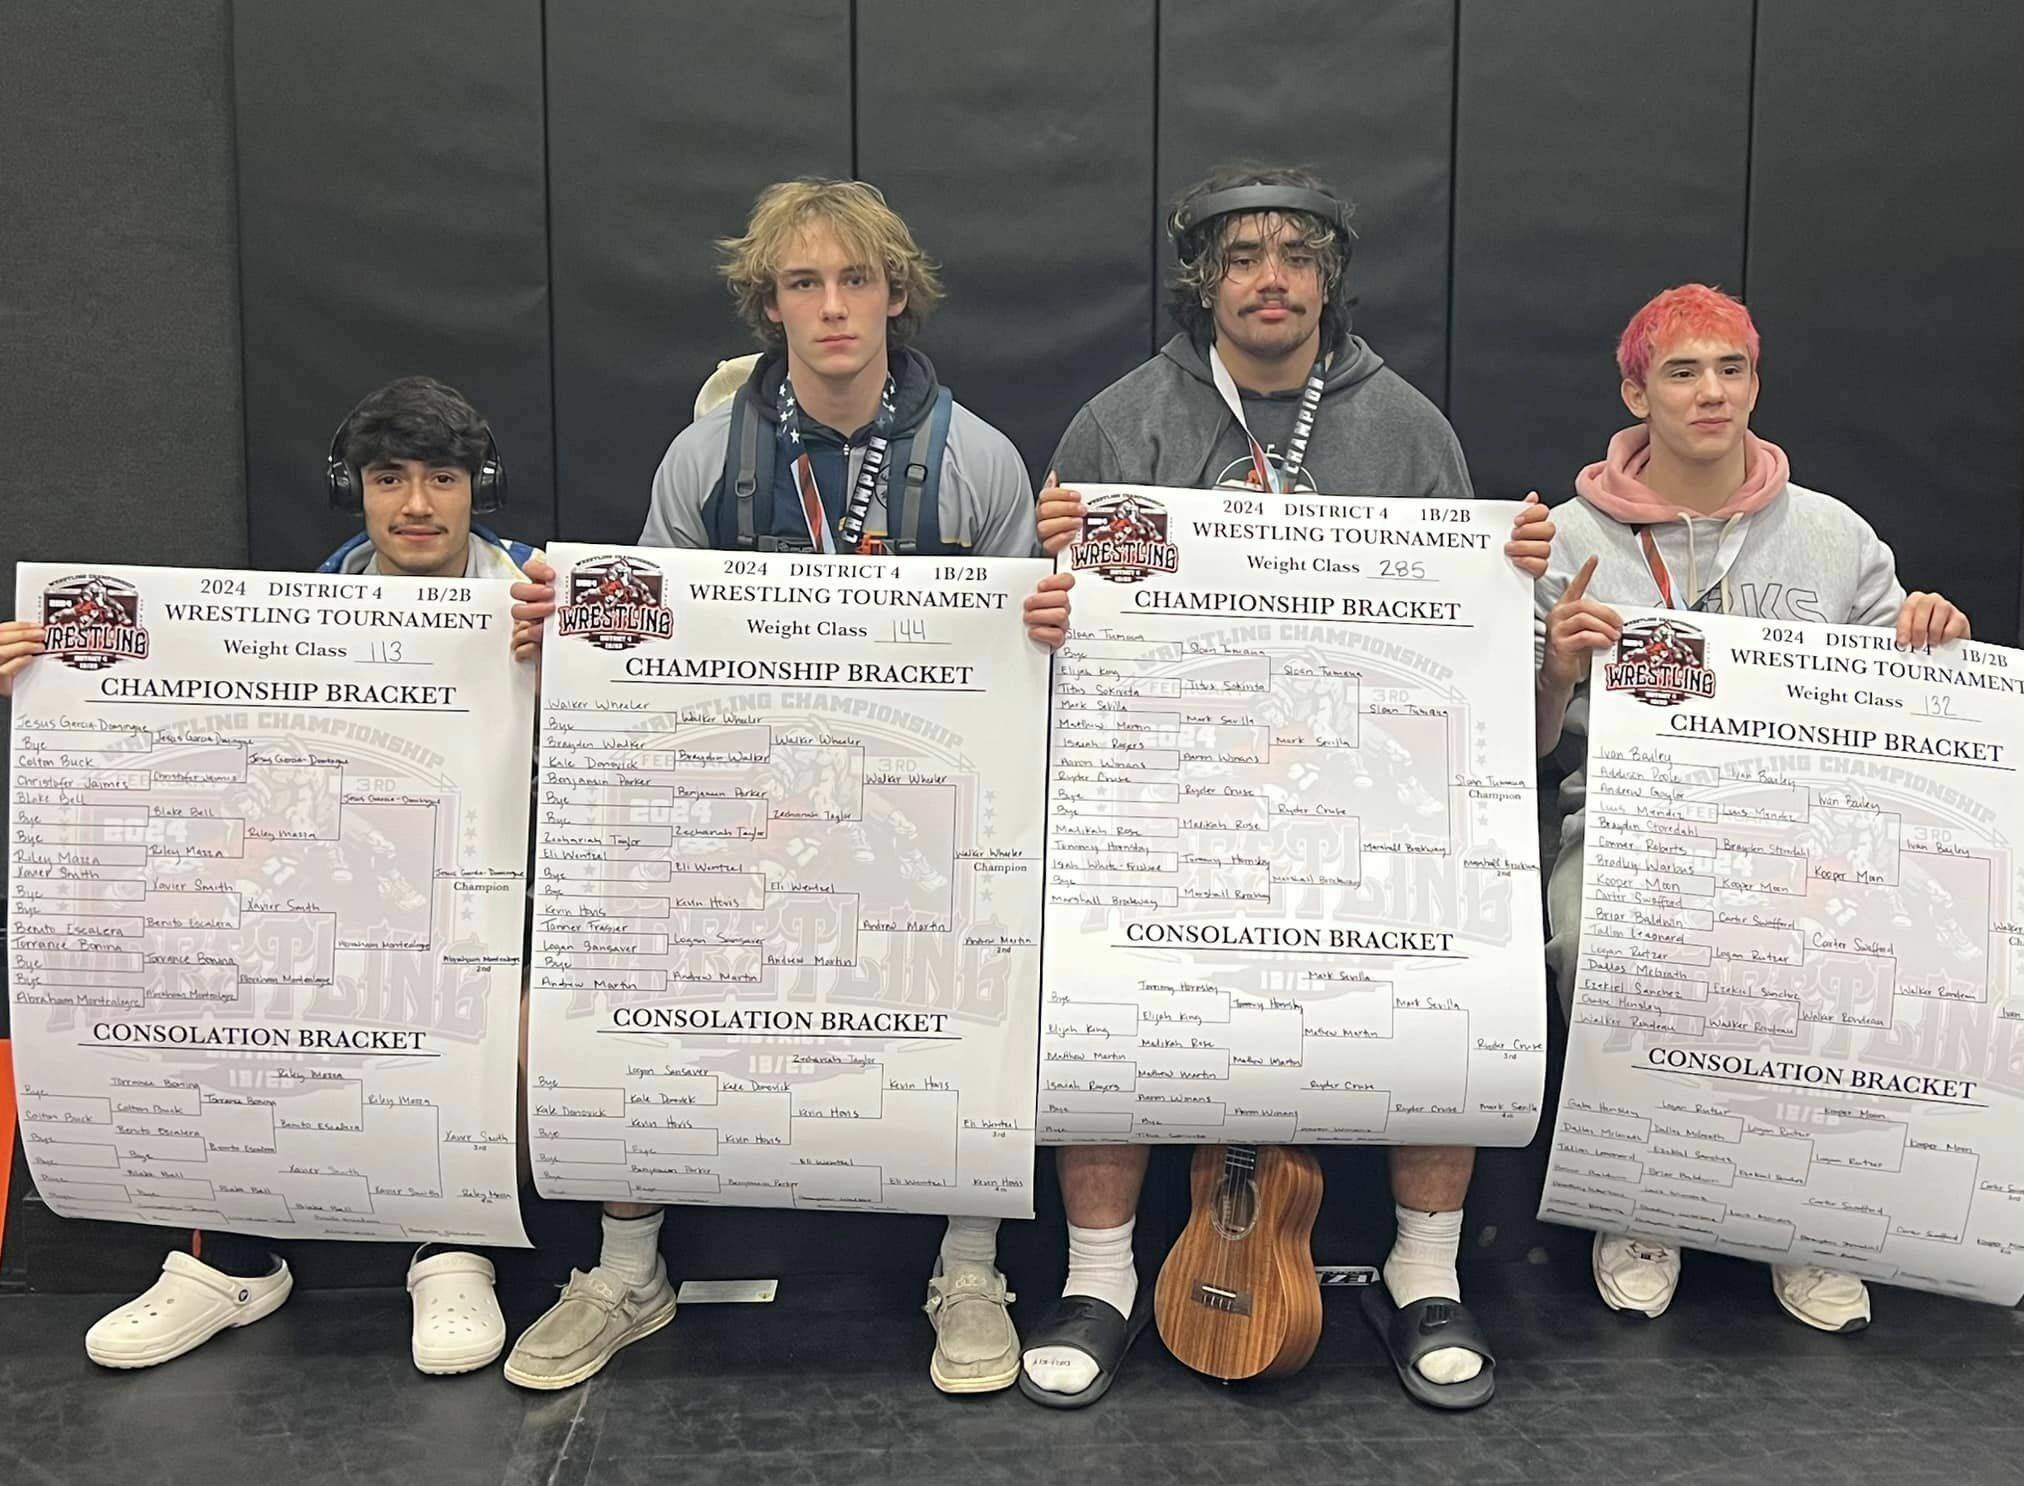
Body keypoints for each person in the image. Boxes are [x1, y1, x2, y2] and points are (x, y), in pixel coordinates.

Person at [506, 177, 1071, 1394]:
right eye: (804, 283)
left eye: (854, 280)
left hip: (922, 809)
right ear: (769, 304)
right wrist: (576, 626)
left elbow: (1022, 684)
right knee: (624, 936)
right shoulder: (705, 455)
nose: (832, 308)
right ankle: (626, 1265)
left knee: (993, 934)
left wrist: (1045, 625)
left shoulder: (974, 460)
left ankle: (969, 1263)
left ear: (895, 295)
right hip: (744, 805)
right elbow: (645, 652)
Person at [1029, 164, 1554, 1411]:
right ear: (1201, 279)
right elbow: (1050, 636)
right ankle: (1098, 1278)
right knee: (1086, 952)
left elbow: (1467, 652)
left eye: (1295, 255)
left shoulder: (1408, 429)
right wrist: (1044, 595)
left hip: (1361, 797)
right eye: (1242, 255)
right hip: (1167, 794)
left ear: (1329, 278)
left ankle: (1427, 1276)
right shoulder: (1116, 424)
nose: (1270, 278)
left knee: (1456, 953)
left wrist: (1506, 577)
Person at [0, 376, 538, 1372]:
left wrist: (571, 659)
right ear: (355, 491)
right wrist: (51, 677)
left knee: (467, 991)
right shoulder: (295, 613)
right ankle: (232, 1258)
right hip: (338, 877)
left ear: (480, 487)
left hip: (503, 895)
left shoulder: (537, 604)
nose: (415, 503)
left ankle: (450, 1248)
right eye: (388, 478)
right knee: (220, 957)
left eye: (442, 478)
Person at [1535, 283, 1969, 1333]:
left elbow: (1906, 703)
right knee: (1590, 937)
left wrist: (1929, 633)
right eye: (1680, 372)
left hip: (1804, 842)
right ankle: (1645, 1206)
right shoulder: (1563, 538)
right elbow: (1526, 742)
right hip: (1629, 834)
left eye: (1729, 368)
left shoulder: (1829, 534)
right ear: (1635, 390)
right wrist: (1551, 666)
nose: (1709, 391)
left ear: (1755, 383)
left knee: (1855, 949)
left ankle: (1798, 1220)